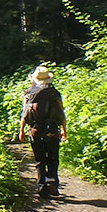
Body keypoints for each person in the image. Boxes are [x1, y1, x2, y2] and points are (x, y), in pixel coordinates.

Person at [19, 65, 68, 197]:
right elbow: (61, 113)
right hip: (52, 130)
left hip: (36, 130)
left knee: (40, 160)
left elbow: (25, 114)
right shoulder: (55, 93)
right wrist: (64, 131)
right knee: (53, 158)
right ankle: (52, 181)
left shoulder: (29, 93)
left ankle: (42, 187)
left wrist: (22, 131)